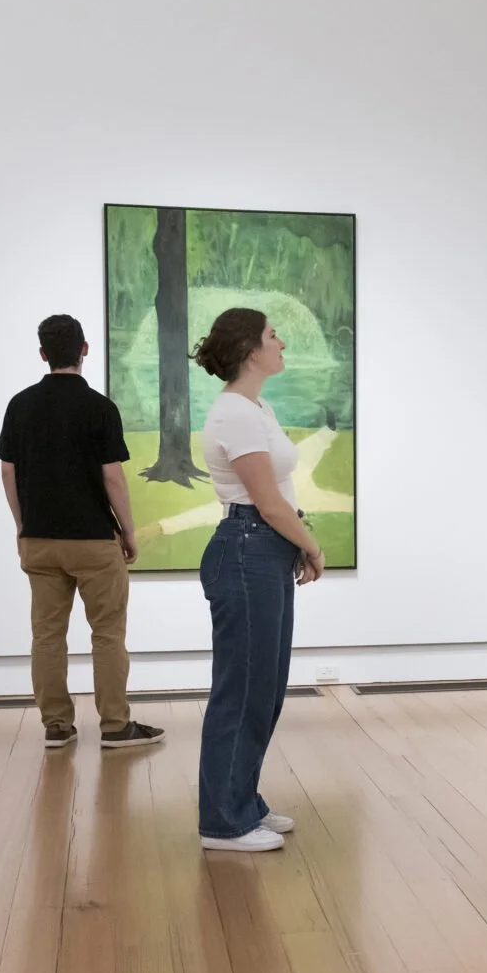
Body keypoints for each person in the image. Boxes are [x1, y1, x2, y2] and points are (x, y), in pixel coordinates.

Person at [0, 314, 166, 750]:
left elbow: (8, 470)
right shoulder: (100, 408)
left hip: (40, 541)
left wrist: (22, 523)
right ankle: (114, 726)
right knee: (107, 634)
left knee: (47, 635)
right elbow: (113, 478)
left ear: (42, 354)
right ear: (84, 349)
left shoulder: (20, 405)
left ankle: (56, 726)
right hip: (93, 540)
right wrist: (128, 531)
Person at [192, 307, 325, 853]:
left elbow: (276, 499)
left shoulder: (256, 407)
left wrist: (294, 543)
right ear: (251, 349)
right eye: (274, 335)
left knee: (263, 691)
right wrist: (311, 545)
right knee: (241, 691)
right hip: (247, 550)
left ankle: (242, 803)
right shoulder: (235, 415)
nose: (282, 341)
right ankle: (222, 822)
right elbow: (267, 503)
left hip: (263, 552)